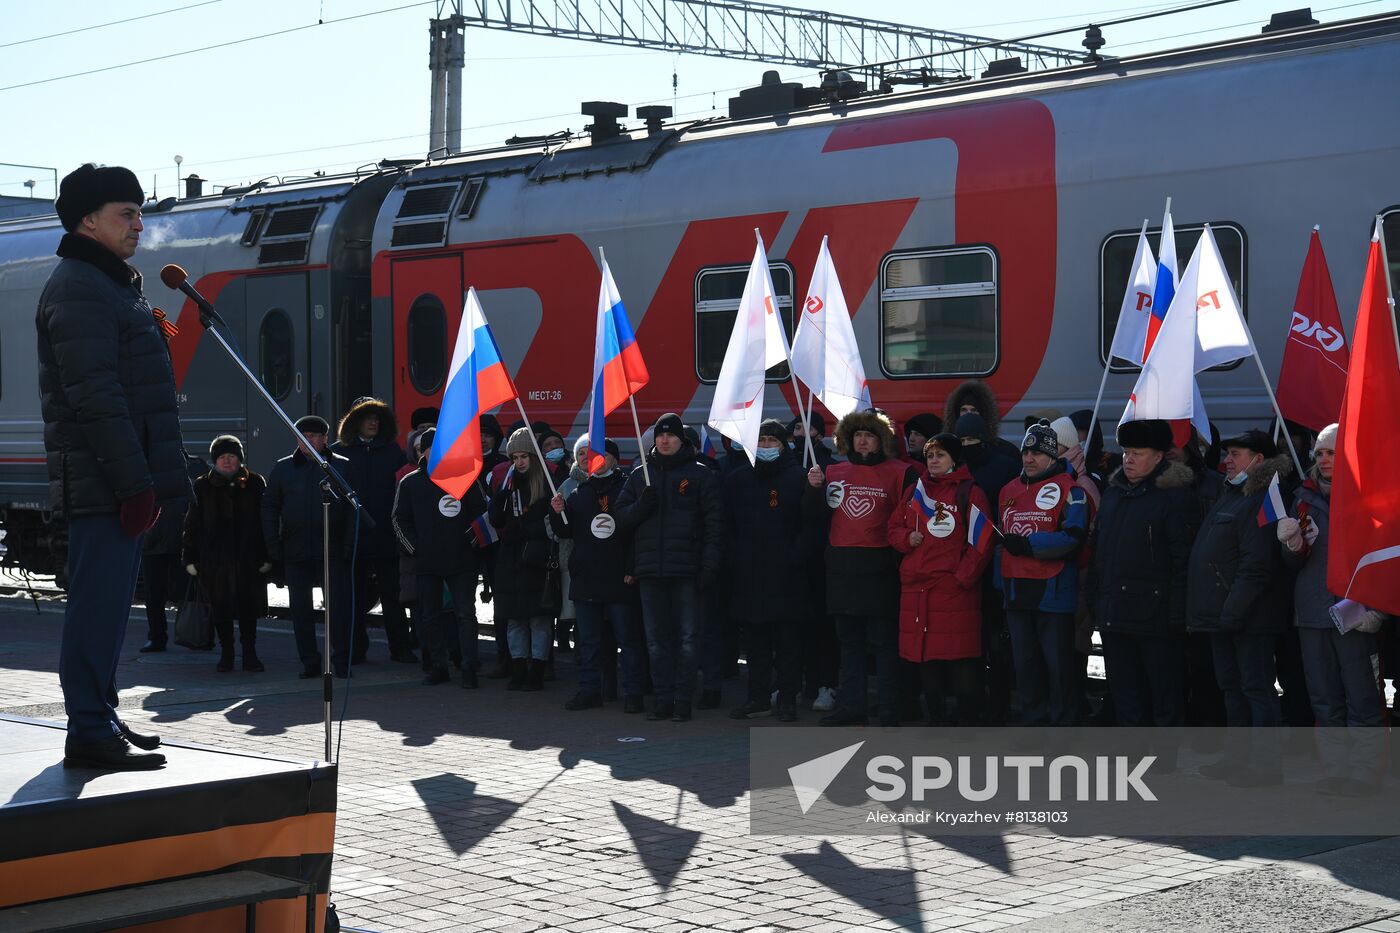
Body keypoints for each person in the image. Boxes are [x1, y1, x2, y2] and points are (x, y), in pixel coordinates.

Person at [39, 163, 190, 770]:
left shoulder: (110, 283)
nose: (138, 224)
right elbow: (94, 394)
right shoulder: (80, 286)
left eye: (139, 212)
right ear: (88, 220)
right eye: (125, 214)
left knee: (109, 606)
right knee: (96, 606)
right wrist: (134, 483)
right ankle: (87, 729)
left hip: (118, 478)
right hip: (105, 481)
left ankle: (101, 712)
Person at [1278, 423, 1387, 795]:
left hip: (1355, 613)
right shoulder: (1302, 498)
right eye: (1320, 453)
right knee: (1323, 698)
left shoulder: (1369, 497)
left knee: (1362, 697)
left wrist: (1379, 608)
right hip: (1311, 613)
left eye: (1332, 453)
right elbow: (1293, 564)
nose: (1324, 460)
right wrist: (1292, 545)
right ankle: (1337, 773)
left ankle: (1364, 774)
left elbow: (1384, 559)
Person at [1188, 428, 1293, 786]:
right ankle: (1238, 760)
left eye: (1235, 454)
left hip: (1250, 617)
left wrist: (1232, 613)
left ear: (1258, 460)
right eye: (1227, 454)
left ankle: (1265, 767)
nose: (1226, 461)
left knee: (1256, 689)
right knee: (1232, 688)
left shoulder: (1263, 498)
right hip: (1227, 615)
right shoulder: (1233, 493)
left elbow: (1257, 564)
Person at [1086, 421, 1198, 738]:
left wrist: (1176, 613)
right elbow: (1099, 552)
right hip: (1115, 612)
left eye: (1138, 453)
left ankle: (1165, 759)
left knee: (1164, 690)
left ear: (1159, 456)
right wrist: (1095, 597)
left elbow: (1181, 562)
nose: (1129, 459)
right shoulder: (1114, 494)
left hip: (1156, 614)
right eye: (1126, 452)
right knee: (1125, 690)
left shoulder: (1175, 498)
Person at [809, 409, 919, 727]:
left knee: (884, 644)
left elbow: (908, 518)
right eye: (857, 435)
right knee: (849, 644)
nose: (862, 441)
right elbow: (814, 518)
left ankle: (889, 708)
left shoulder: (900, 472)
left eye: (869, 435)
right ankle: (852, 706)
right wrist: (812, 490)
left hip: (880, 569)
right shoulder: (833, 471)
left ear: (881, 440)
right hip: (842, 569)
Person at [616, 414, 722, 722]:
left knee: (688, 638)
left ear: (682, 440)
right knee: (655, 639)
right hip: (650, 572)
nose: (664, 440)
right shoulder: (639, 477)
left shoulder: (701, 475)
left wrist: (709, 565)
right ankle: (662, 699)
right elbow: (620, 520)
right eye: (660, 435)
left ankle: (682, 699)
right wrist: (641, 507)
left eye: (671, 436)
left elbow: (715, 525)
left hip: (687, 571)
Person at [887, 434, 992, 725]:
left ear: (954, 459)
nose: (933, 460)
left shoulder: (970, 492)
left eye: (940, 455)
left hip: (953, 591)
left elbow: (981, 542)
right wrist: (907, 538)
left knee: (960, 659)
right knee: (925, 658)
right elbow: (893, 527)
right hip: (916, 589)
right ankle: (936, 717)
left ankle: (967, 719)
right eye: (930, 455)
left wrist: (962, 578)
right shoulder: (914, 491)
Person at [723, 420, 822, 722]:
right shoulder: (739, 479)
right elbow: (727, 524)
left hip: (788, 578)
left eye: (772, 441)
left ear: (785, 445)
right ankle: (758, 698)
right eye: (761, 441)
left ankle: (787, 699)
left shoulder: (799, 477)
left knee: (788, 645)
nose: (766, 447)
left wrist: (795, 558)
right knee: (755, 644)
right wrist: (736, 558)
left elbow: (812, 524)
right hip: (750, 575)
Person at [998, 420, 1090, 726]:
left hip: (1054, 594)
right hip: (1016, 593)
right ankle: (1033, 725)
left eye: (1037, 452)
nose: (1029, 458)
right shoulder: (1008, 490)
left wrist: (1028, 545)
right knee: (1025, 666)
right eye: (1026, 451)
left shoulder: (1071, 490)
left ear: (1052, 456)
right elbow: (1001, 541)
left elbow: (1074, 539)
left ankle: (1065, 727)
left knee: (1058, 667)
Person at [550, 435, 645, 713]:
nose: (591, 459)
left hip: (619, 578)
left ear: (614, 458)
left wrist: (631, 569)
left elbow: (634, 535)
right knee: (589, 641)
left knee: (627, 640)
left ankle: (633, 693)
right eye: (585, 455)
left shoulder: (627, 489)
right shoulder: (580, 493)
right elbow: (565, 532)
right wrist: (558, 513)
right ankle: (590, 690)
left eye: (599, 454)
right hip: (587, 578)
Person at [393, 428, 488, 688]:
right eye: (433, 448)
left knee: (465, 615)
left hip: (462, 560)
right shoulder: (410, 483)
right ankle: (438, 666)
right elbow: (399, 519)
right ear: (423, 451)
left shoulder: (466, 478)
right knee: (430, 616)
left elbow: (482, 513)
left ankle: (469, 667)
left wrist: (471, 540)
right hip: (427, 561)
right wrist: (414, 547)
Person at [261, 415, 354, 678]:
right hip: (296, 549)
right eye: (305, 437)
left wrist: (347, 545)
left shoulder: (341, 467)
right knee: (300, 611)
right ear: (297, 439)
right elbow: (269, 507)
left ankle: (341, 662)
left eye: (315, 436)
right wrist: (273, 544)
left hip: (332, 550)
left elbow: (352, 510)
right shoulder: (283, 469)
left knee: (338, 609)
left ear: (326, 439)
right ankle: (309, 663)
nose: (310, 441)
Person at [333, 397, 416, 665]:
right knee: (353, 598)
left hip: (385, 536)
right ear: (355, 421)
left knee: (393, 597)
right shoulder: (338, 454)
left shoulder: (392, 452)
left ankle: (400, 648)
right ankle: (355, 650)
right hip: (352, 537)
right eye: (368, 417)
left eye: (377, 418)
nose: (373, 422)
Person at [182, 436, 270, 673]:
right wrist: (190, 557)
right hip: (215, 560)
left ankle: (250, 654)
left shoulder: (255, 483)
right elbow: (193, 523)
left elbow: (267, 522)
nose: (228, 461)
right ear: (215, 461)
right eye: (222, 457)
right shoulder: (202, 486)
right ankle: (227, 654)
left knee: (248, 610)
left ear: (240, 459)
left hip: (249, 559)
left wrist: (268, 556)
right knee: (220, 609)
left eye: (232, 456)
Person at [955, 410, 1021, 725]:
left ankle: (999, 705)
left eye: (973, 440)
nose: (968, 445)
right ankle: (972, 702)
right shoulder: (957, 470)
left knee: (997, 641)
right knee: (971, 641)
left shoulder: (1006, 467)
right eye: (963, 440)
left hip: (994, 563)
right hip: (964, 562)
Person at [490, 427, 560, 690]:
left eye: (524, 457)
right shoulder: (507, 482)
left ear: (533, 456)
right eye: (515, 457)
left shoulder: (547, 482)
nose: (519, 462)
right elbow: (497, 520)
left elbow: (555, 523)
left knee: (539, 620)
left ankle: (538, 671)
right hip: (511, 559)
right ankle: (518, 668)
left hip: (537, 559)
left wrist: (529, 529)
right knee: (515, 619)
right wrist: (499, 502)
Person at [140, 452, 206, 652]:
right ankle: (160, 636)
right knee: (155, 592)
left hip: (180, 539)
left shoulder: (195, 466)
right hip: (155, 538)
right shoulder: (145, 465)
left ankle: (191, 634)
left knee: (187, 591)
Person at [943, 379, 1019, 460]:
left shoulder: (1006, 451)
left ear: (983, 414)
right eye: (964, 410)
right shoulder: (946, 450)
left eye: (974, 410)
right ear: (956, 414)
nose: (968, 414)